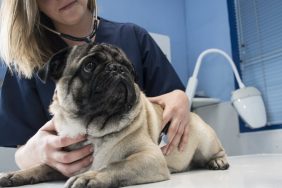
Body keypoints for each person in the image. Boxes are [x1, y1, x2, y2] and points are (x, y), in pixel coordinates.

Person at [0, 0, 190, 177]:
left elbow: (169, 110)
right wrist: (31, 153)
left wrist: (180, 97)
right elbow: (22, 148)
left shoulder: (134, 37)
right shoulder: (26, 61)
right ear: (32, 4)